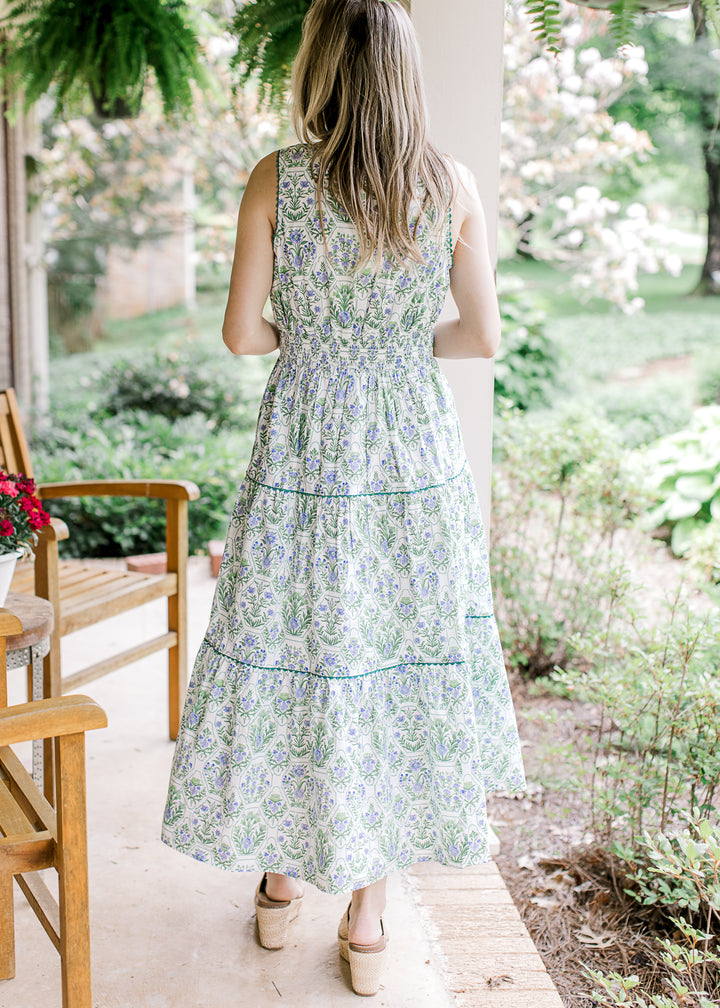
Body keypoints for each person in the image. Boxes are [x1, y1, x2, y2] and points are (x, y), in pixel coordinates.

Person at [162, 0, 525, 996]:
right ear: (405, 74)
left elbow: (243, 337)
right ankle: (368, 919)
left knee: (300, 657)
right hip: (412, 460)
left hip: (307, 457)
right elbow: (480, 337)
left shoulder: (275, 180)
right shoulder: (447, 185)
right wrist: (398, 352)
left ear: (317, 67)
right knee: (390, 666)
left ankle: (281, 880)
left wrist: (315, 351)